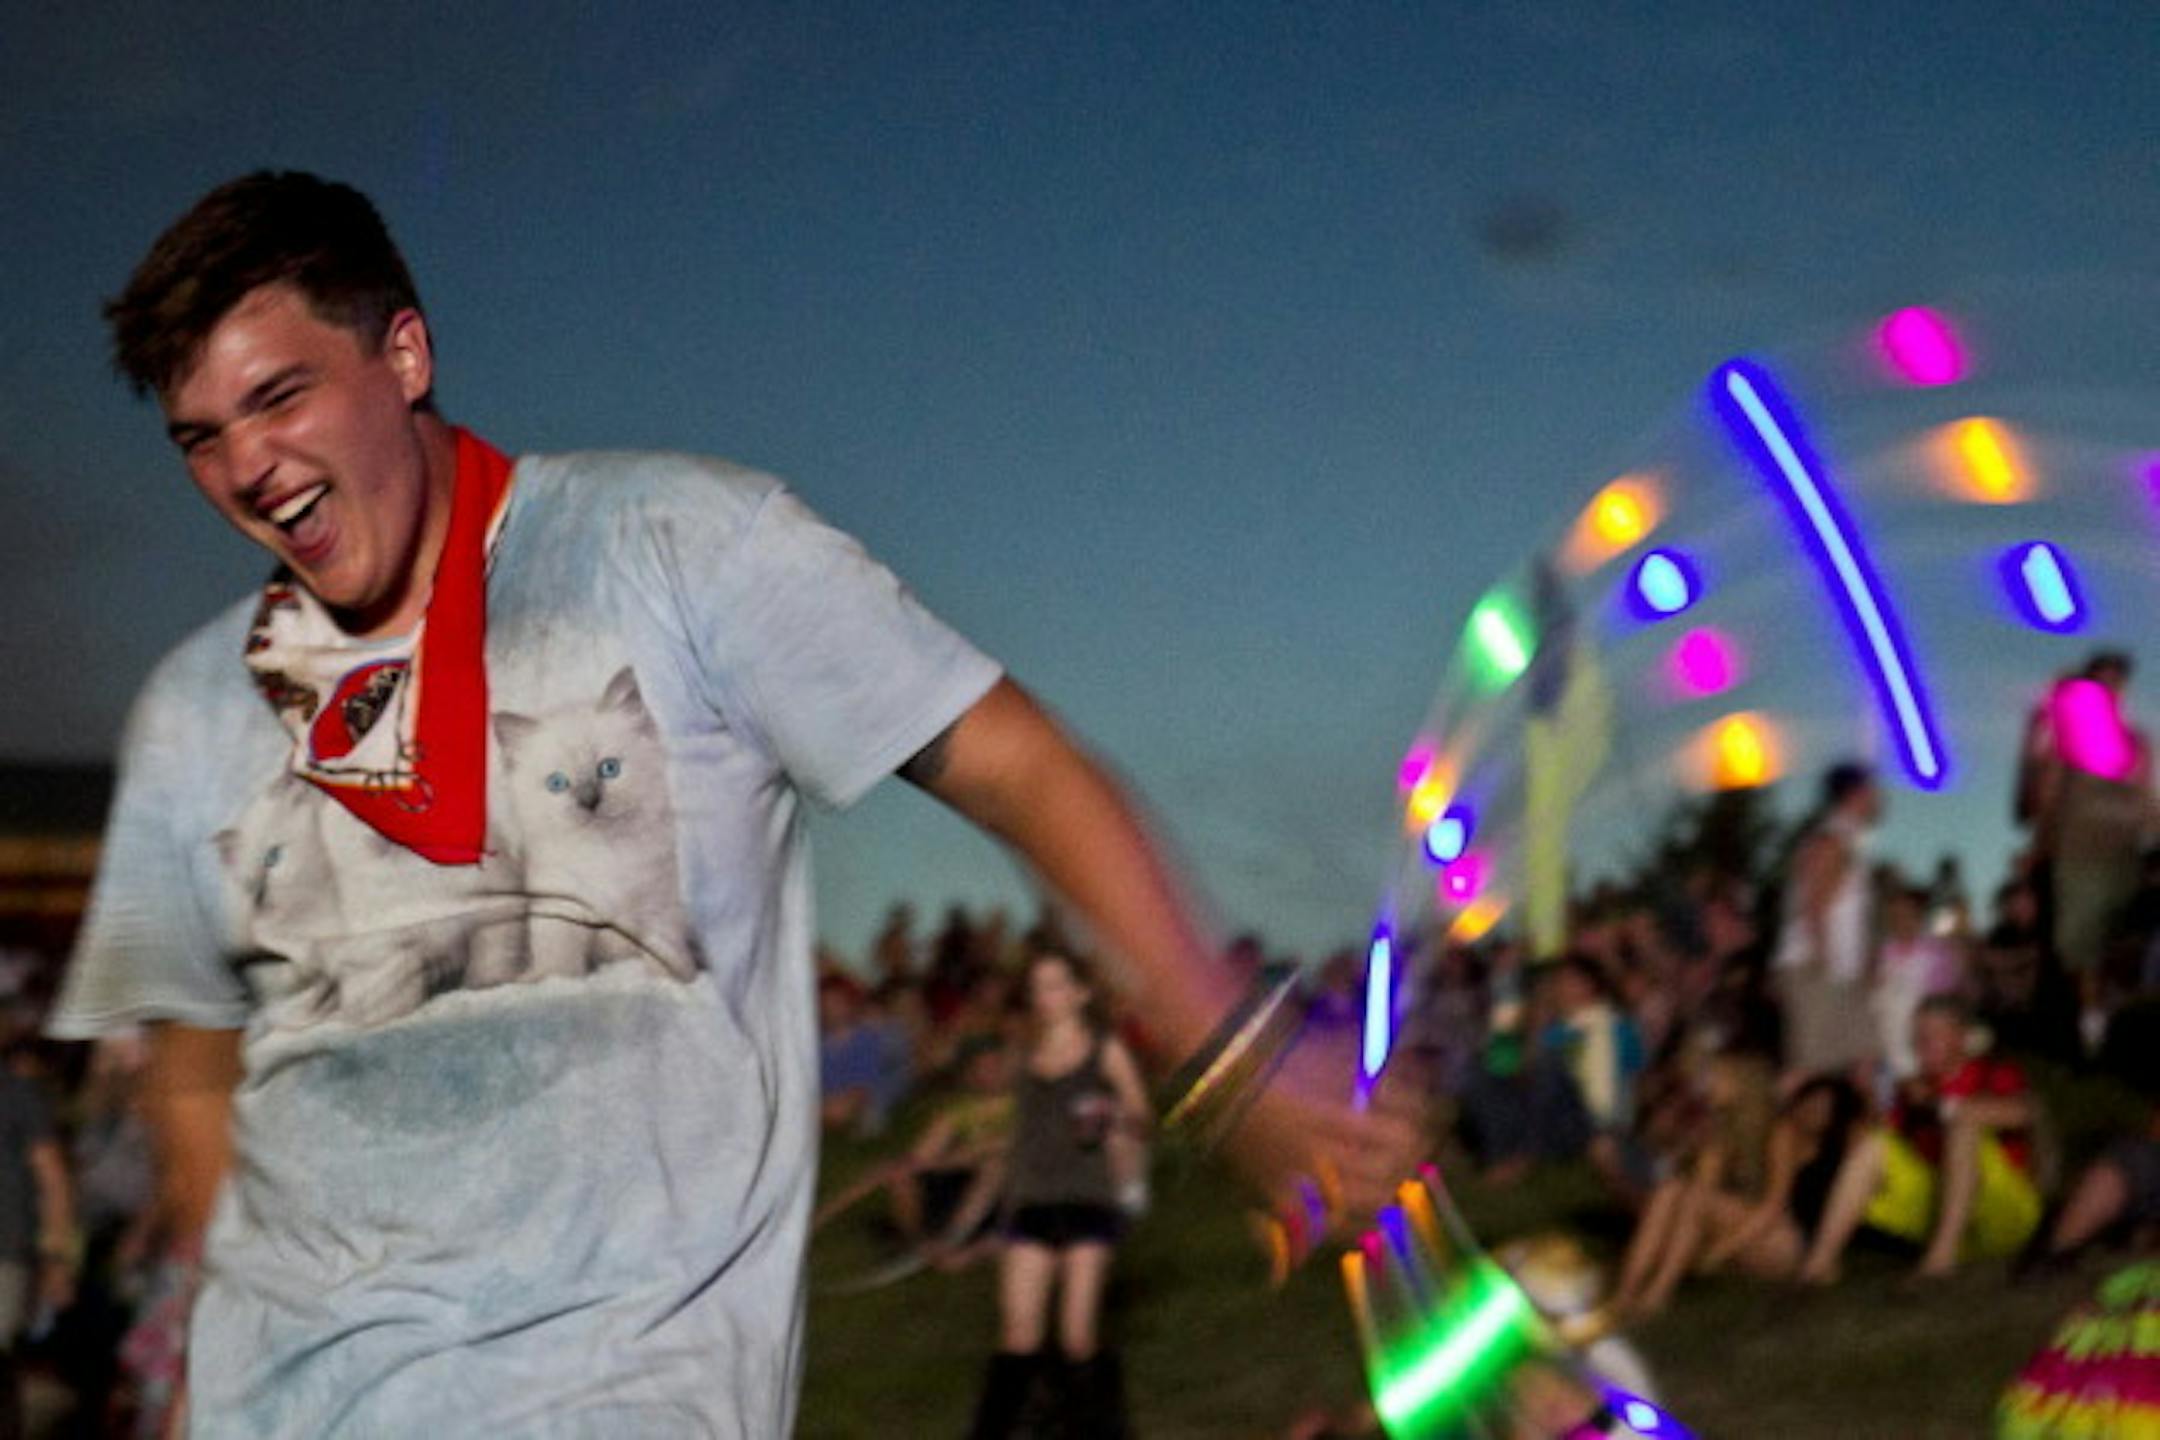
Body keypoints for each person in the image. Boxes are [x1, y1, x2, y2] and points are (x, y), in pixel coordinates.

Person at [50, 172, 1424, 1436]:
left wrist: (1222, 1049)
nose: (247, 467)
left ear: (403, 354)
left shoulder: (677, 550)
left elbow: (1017, 767)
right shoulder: (195, 709)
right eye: (200, 438)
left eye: (280, 397)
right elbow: (189, 1066)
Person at [967, 951, 1151, 1439]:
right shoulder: (1021, 1053)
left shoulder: (1103, 1050)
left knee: (1077, 1339)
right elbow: (1015, 1124)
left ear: (1079, 993)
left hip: (1088, 1201)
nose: (1045, 997)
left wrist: (1112, 1117)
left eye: (1055, 985)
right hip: (1030, 1201)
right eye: (1037, 987)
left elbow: (1141, 1115)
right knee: (1018, 1338)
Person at [1798, 996, 2042, 1284]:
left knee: (1964, 1126)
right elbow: (1871, 1143)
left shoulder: (1993, 1072)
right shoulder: (1912, 1088)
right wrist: (1870, 1101)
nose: (1921, 1042)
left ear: (1962, 1037)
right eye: (1917, 1035)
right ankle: (1819, 1265)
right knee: (1875, 1145)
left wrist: (1935, 1103)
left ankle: (1940, 1260)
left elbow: (2023, 1113)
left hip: (2003, 1216)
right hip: (1940, 1209)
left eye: (1934, 1033)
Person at [1612, 1067, 1861, 1316]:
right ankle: (1626, 1291)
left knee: (1690, 1197)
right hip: (1756, 1228)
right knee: (1670, 1190)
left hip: (1785, 1242)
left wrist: (1722, 1250)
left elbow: (1773, 1206)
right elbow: (1703, 1188)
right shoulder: (1730, 1129)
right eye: (1812, 1101)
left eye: (1823, 1109)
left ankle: (1657, 1293)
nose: (1812, 1111)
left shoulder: (1783, 1133)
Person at [1773, 762, 1883, 1079]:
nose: (1878, 799)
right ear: (1856, 794)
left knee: (1864, 1058)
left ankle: (1862, 1127)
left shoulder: (1847, 840)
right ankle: (1773, 1125)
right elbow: (1814, 905)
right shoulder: (1831, 840)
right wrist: (1823, 962)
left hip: (1840, 974)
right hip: (1817, 969)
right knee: (1810, 1067)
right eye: (1872, 791)